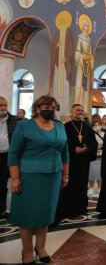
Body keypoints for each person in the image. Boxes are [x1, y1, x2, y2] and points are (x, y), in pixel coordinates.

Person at [8, 95, 69, 264]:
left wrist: (65, 175)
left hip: (53, 176)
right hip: (29, 177)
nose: (50, 110)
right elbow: (14, 153)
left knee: (45, 214)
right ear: (37, 109)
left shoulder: (60, 127)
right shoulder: (24, 126)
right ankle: (27, 251)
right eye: (46, 107)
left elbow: (65, 153)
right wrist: (15, 179)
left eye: (53, 107)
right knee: (27, 215)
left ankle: (40, 248)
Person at [63, 104, 97, 219]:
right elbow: (62, 143)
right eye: (78, 110)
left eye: (82, 110)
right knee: (71, 184)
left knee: (82, 184)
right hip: (70, 161)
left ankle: (82, 208)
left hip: (83, 161)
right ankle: (70, 209)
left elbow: (94, 143)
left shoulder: (87, 127)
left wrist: (87, 148)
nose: (80, 112)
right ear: (72, 111)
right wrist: (73, 149)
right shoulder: (65, 127)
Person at [0, 97, 18, 219]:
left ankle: (1, 209)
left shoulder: (13, 120)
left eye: (5, 105)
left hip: (7, 155)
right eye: (1, 105)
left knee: (3, 184)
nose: (3, 108)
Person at [88, 120, 104, 197]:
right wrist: (95, 147)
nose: (97, 127)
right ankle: (90, 188)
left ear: (101, 126)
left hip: (102, 157)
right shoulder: (91, 134)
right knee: (91, 173)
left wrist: (102, 146)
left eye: (98, 125)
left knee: (99, 173)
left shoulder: (104, 134)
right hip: (93, 156)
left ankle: (99, 188)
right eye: (95, 125)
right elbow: (89, 144)